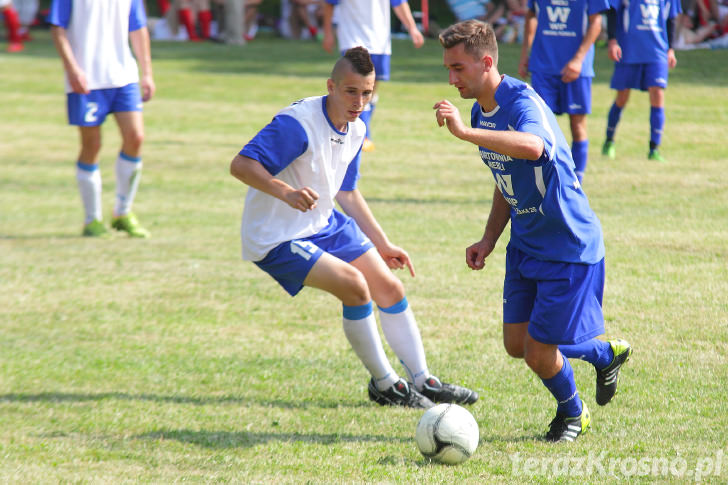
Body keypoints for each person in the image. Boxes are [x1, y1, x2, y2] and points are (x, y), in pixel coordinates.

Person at [229, 47, 478, 409]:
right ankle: (386, 385)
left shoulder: (357, 128)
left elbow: (346, 191)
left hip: (323, 222)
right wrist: (287, 192)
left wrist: (383, 243)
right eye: (350, 91)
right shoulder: (297, 124)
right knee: (355, 286)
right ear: (331, 86)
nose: (359, 101)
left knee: (389, 286)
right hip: (278, 235)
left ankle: (425, 380)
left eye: (367, 93)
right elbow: (241, 165)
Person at [435, 20, 631, 442]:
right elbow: (507, 177)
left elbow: (535, 146)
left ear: (486, 62)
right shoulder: (479, 108)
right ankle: (604, 353)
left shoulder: (524, 103)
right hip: (524, 245)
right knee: (516, 344)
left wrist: (467, 135)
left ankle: (573, 414)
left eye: (458, 68)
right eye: (448, 69)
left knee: (539, 354)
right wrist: (488, 239)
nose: (451, 79)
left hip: (567, 247)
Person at [48, 0, 154, 238]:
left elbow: (137, 27)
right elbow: (58, 28)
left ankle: (123, 212)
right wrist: (72, 69)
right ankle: (92, 219)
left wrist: (146, 72)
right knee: (92, 145)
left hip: (123, 75)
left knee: (135, 137)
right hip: (87, 78)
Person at [518, 0, 608, 183]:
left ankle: (576, 182)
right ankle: (541, 182)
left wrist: (578, 60)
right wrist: (526, 52)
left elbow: (596, 23)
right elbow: (531, 15)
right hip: (543, 66)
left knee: (577, 125)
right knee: (539, 127)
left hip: (576, 70)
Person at [321, 0, 424, 152]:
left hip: (379, 40)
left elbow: (399, 3)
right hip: (351, 37)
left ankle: (358, 133)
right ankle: (362, 136)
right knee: (354, 87)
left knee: (369, 91)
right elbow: (329, 3)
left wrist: (412, 28)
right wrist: (328, 32)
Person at [601, 0, 681, 162]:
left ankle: (654, 148)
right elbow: (612, 11)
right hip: (629, 49)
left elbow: (670, 18)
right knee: (622, 97)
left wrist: (670, 49)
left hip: (657, 51)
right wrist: (612, 40)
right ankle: (609, 141)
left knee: (657, 94)